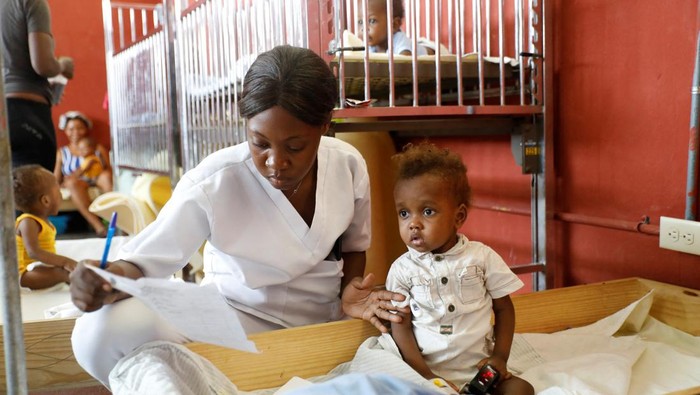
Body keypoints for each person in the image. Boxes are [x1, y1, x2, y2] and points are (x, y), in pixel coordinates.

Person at [69, 45, 408, 389]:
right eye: (260, 143)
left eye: (294, 147)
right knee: (98, 330)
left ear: (324, 125)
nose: (276, 162)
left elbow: (353, 246)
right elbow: (145, 262)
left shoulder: (347, 164)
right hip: (231, 323)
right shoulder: (214, 180)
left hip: (320, 321)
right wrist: (108, 279)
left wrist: (349, 293)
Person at [386, 142, 534, 394]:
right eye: (404, 213)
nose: (413, 224)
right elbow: (400, 325)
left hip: (479, 370)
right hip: (428, 372)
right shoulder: (402, 270)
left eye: (427, 211)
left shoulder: (481, 257)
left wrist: (499, 357)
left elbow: (504, 308)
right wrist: (425, 375)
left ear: (459, 217)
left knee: (522, 389)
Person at [1, 0, 74, 171]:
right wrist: (63, 65)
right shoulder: (31, 2)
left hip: (5, 110)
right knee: (35, 192)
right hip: (26, 112)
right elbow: (43, 65)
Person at [13, 165, 77, 290]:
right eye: (58, 192)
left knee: (68, 270)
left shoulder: (43, 221)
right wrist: (65, 261)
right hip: (24, 275)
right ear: (46, 201)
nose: (62, 196)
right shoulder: (28, 222)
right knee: (64, 273)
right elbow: (34, 252)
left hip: (40, 268)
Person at [53, 111, 113, 236]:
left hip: (97, 178)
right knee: (71, 182)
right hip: (77, 182)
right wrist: (57, 186)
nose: (75, 132)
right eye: (71, 129)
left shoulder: (97, 148)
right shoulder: (62, 152)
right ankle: (99, 227)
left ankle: (114, 220)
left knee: (106, 176)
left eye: (79, 128)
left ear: (86, 129)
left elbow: (108, 168)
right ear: (65, 130)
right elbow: (56, 178)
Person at [358, 0, 428, 56]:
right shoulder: (370, 46)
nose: (364, 28)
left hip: (425, 50)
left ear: (394, 24)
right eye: (360, 22)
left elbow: (405, 62)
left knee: (429, 49)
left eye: (372, 21)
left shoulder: (400, 40)